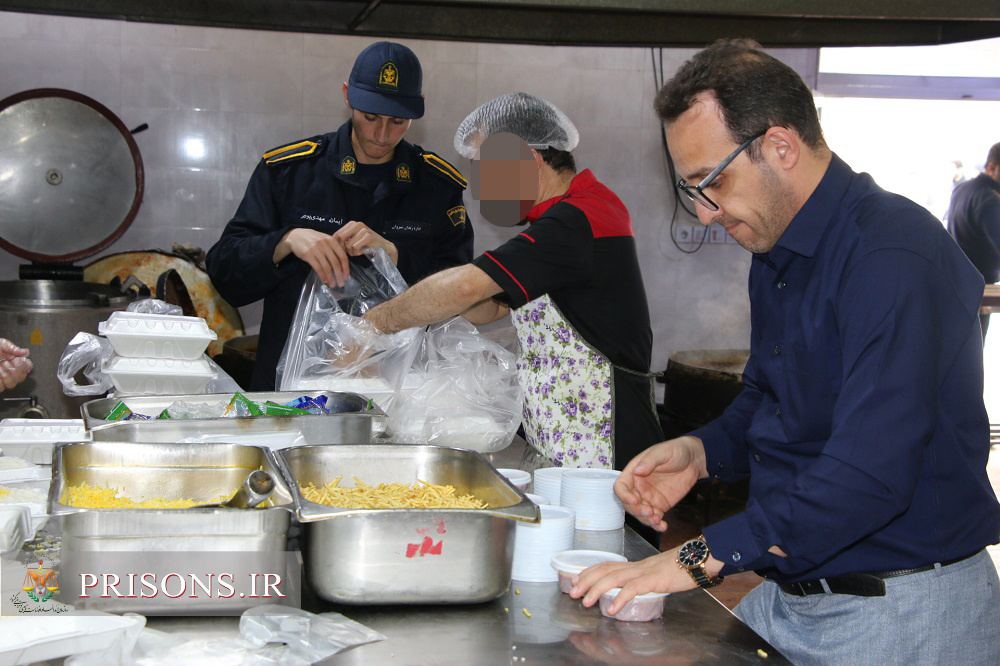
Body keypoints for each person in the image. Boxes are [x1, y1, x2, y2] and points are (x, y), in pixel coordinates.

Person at [570, 40, 1000, 665]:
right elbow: (774, 397)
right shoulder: (776, 251)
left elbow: (869, 474)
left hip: (900, 609)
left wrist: (696, 558)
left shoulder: (892, 257)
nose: (707, 213)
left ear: (780, 146)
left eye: (710, 183)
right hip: (795, 596)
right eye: (693, 191)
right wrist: (702, 451)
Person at [360, 92, 663, 470]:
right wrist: (405, 269)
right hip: (569, 438)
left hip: (608, 446)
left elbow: (467, 288)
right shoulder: (571, 213)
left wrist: (373, 326)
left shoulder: (576, 219)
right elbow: (487, 307)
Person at [205, 41, 473, 391]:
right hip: (289, 390)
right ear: (347, 96)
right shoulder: (290, 173)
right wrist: (285, 242)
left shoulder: (436, 187)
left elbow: (462, 295)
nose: (382, 134)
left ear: (417, 109)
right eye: (370, 116)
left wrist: (396, 257)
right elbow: (224, 272)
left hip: (397, 391)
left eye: (398, 121)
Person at [947, 142, 1000, 343]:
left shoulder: (962, 189)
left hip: (956, 283)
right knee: (973, 351)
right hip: (979, 287)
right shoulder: (989, 199)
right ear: (992, 167)